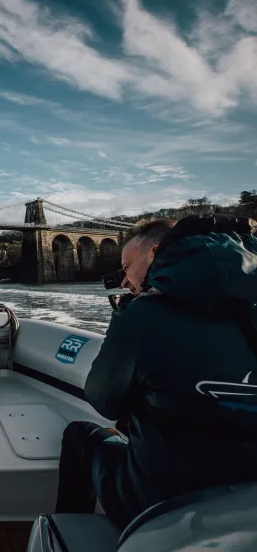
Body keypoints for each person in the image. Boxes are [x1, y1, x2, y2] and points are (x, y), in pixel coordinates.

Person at [55, 214, 257, 530]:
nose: (124, 281)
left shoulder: (145, 313)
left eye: (127, 267)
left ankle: (71, 535)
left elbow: (104, 401)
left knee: (80, 436)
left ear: (156, 252)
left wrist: (125, 316)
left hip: (165, 503)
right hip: (249, 497)